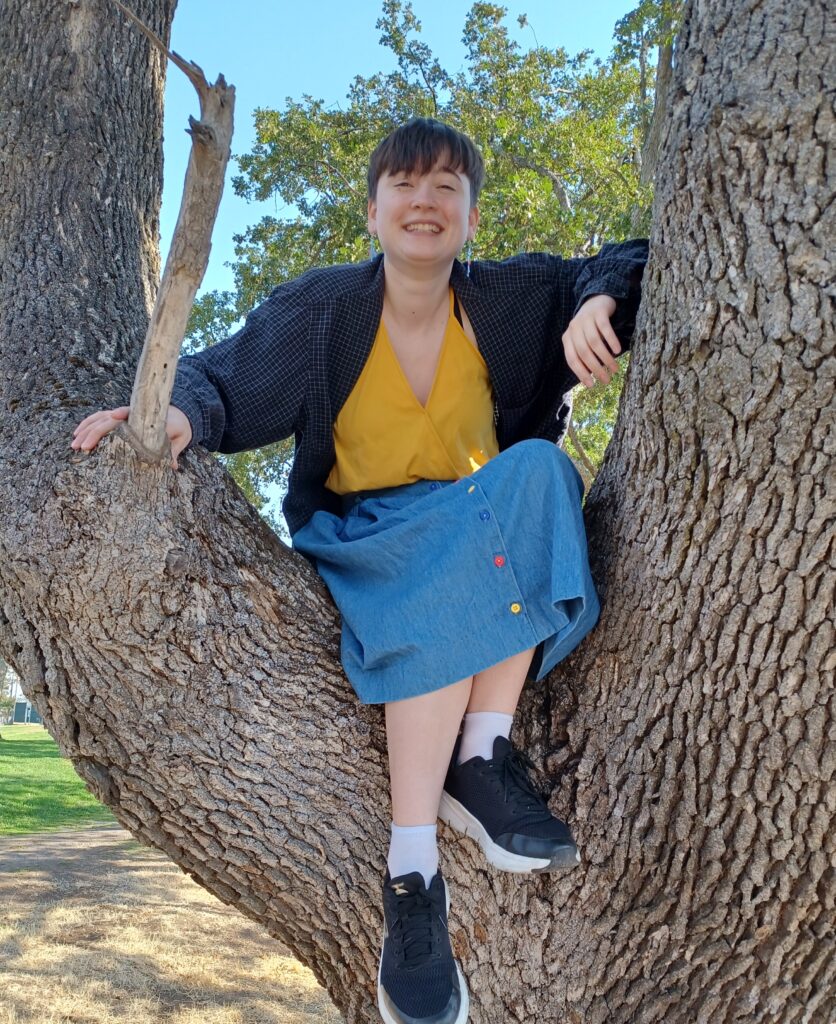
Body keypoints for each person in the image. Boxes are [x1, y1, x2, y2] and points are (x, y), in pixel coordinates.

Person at [71, 117, 648, 1024]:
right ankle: (411, 870)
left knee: (540, 468)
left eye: (447, 188)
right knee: (452, 582)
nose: (426, 202)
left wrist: (597, 301)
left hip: (482, 526)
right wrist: (174, 416)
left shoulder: (508, 298)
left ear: (470, 214)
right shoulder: (323, 312)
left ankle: (483, 755)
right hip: (369, 535)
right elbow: (219, 377)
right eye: (407, 186)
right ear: (374, 209)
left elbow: (625, 256)